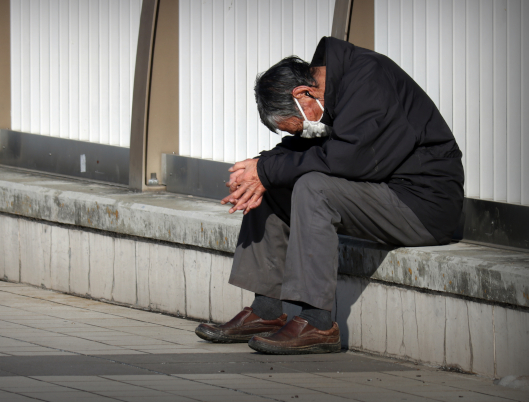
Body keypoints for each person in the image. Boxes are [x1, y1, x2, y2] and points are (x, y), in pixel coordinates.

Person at [194, 37, 464, 355]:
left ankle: (317, 323)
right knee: (269, 182)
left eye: (296, 127)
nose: (302, 131)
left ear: (302, 94)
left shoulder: (368, 79)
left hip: (423, 206)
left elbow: (353, 160)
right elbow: (313, 151)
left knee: (312, 186)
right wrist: (260, 169)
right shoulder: (338, 84)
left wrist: (267, 169)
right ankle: (265, 311)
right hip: (385, 194)